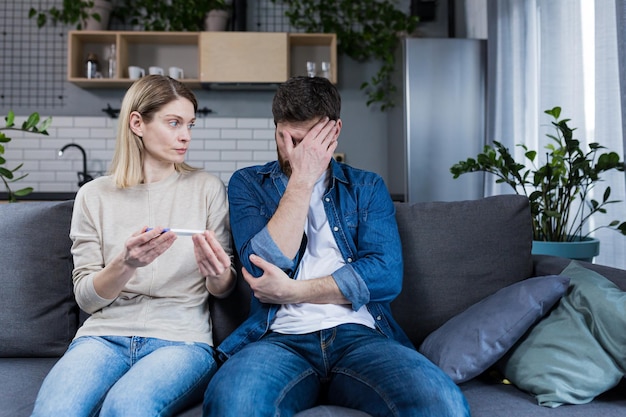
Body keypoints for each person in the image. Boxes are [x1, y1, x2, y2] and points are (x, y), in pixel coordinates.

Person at [203, 76, 469, 416]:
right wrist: (302, 179)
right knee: (233, 404)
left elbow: (385, 276)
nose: (294, 152)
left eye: (307, 142)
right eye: (287, 138)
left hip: (360, 336)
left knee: (442, 404)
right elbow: (259, 267)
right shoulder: (249, 184)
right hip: (280, 339)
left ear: (335, 131)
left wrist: (293, 292)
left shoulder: (367, 187)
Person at [31, 75, 236, 417]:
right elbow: (86, 297)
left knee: (126, 408)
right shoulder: (94, 196)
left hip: (181, 340)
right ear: (137, 123)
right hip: (103, 336)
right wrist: (126, 264)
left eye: (189, 124)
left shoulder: (207, 189)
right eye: (173, 123)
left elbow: (224, 289)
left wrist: (219, 274)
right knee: (55, 411)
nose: (185, 135)